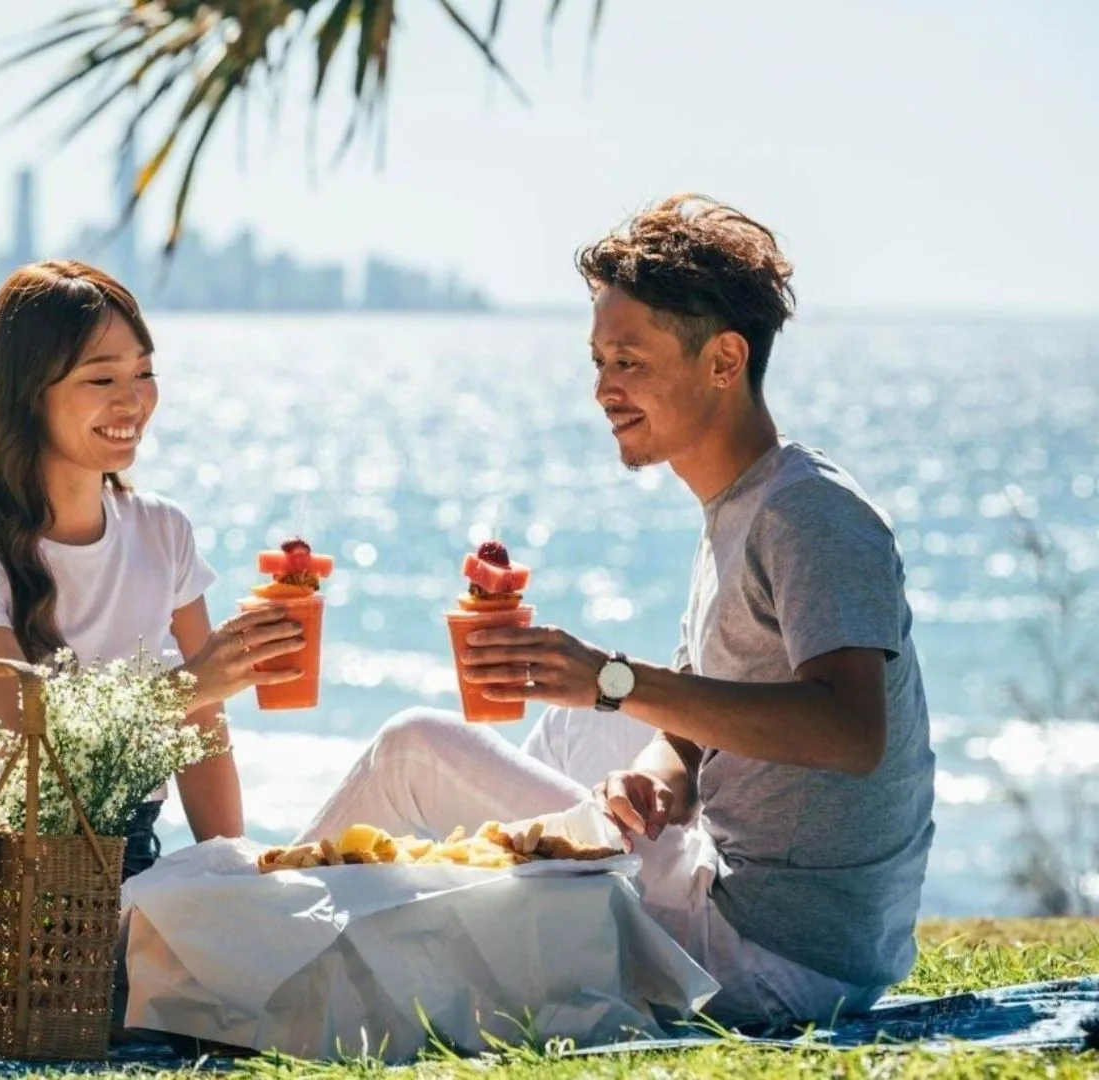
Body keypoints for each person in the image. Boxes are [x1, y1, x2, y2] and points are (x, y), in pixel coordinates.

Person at [299, 195, 935, 1029]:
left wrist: (610, 678)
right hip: (749, 898)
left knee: (413, 748)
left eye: (629, 361)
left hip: (780, 960)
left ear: (724, 360)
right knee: (575, 738)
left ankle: (263, 940)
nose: (604, 388)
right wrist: (659, 781)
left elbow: (850, 734)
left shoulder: (808, 513)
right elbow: (693, 726)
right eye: (598, 360)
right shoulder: (741, 506)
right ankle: (500, 909)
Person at [0, 259, 306, 878]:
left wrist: (233, 880)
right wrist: (195, 684)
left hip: (132, 858)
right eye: (101, 378)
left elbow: (202, 740)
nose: (133, 399)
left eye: (143, 372)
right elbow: (28, 760)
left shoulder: (162, 530)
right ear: (28, 395)